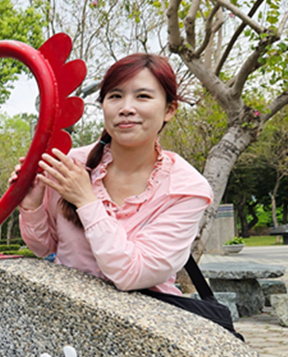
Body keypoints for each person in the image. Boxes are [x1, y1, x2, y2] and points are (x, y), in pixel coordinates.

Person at [14, 53, 213, 296]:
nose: (126, 108)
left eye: (143, 96)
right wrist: (31, 204)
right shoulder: (71, 165)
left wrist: (86, 201)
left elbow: (132, 274)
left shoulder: (185, 187)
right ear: (103, 105)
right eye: (115, 96)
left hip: (147, 324)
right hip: (65, 317)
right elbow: (45, 247)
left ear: (169, 110)